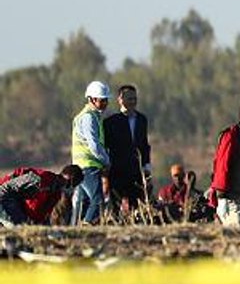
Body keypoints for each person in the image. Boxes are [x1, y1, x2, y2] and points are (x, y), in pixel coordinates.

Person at [103, 84, 151, 212]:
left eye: (134, 98)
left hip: (136, 170)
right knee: (115, 205)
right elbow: (105, 147)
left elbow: (144, 144)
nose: (132, 102)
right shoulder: (110, 122)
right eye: (129, 98)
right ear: (120, 100)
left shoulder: (141, 120)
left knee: (135, 206)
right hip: (117, 170)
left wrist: (146, 166)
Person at [71, 80, 113, 224]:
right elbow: (94, 145)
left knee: (84, 202)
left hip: (83, 166)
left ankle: (77, 229)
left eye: (106, 100)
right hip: (88, 166)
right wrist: (106, 161)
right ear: (91, 99)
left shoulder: (91, 116)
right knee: (98, 200)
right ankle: (86, 227)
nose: (105, 103)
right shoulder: (89, 117)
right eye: (102, 100)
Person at [0, 165, 82, 227]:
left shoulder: (56, 193)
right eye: (73, 185)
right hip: (5, 198)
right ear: (71, 181)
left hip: (15, 205)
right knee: (20, 228)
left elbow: (41, 217)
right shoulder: (38, 179)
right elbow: (6, 188)